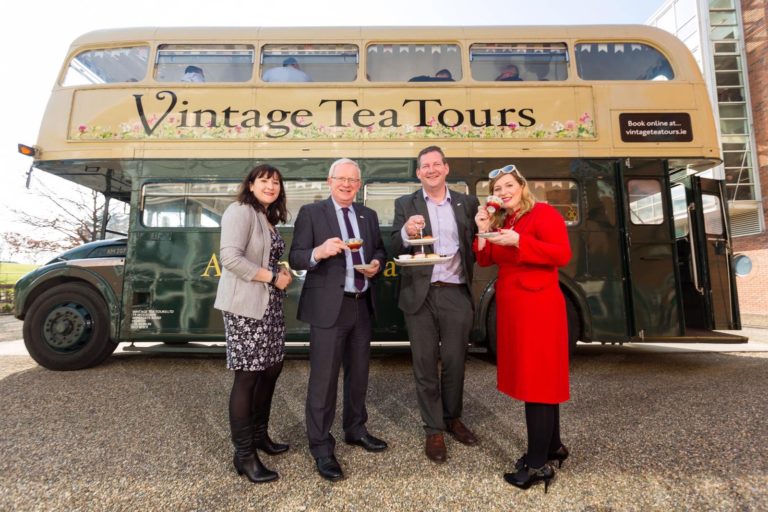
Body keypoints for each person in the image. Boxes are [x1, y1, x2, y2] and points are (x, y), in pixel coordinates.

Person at [473, 164, 572, 492]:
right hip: (516, 310)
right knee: (539, 379)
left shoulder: (543, 214)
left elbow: (562, 254)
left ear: (521, 186)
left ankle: (536, 465)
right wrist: (483, 228)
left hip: (539, 309)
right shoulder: (505, 219)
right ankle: (553, 446)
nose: (502, 191)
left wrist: (520, 241)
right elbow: (486, 260)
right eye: (497, 188)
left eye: (508, 185)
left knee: (537, 384)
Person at [288, 158, 388, 481]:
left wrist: (375, 263)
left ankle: (355, 429)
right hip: (329, 307)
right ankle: (320, 447)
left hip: (360, 303)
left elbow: (381, 251)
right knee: (324, 380)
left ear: (359, 185)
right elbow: (297, 256)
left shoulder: (368, 215)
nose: (346, 184)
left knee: (359, 375)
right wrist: (319, 252)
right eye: (340, 178)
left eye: (352, 180)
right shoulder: (311, 213)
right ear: (329, 181)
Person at [391, 145, 480, 463]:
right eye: (424, 166)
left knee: (456, 361)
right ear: (418, 173)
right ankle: (433, 430)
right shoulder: (405, 203)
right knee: (425, 364)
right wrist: (406, 230)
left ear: (446, 168)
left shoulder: (467, 202)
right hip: (421, 294)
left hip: (455, 291)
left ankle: (452, 417)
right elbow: (392, 242)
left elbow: (477, 238)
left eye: (435, 164)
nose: (430, 169)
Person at [214, 164, 293, 484]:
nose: (271, 186)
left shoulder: (265, 217)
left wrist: (279, 274)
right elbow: (230, 258)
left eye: (275, 182)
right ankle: (244, 454)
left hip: (268, 302)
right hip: (245, 306)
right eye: (264, 180)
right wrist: (274, 276)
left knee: (271, 369)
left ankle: (260, 435)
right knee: (248, 376)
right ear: (250, 184)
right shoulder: (240, 211)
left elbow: (264, 258)